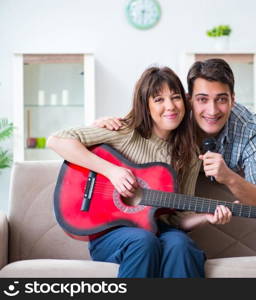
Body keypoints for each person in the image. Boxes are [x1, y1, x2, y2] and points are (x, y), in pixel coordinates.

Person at [47, 66, 233, 278]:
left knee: (181, 244)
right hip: (112, 232)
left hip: (160, 230)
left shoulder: (190, 154)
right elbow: (57, 140)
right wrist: (112, 171)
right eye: (159, 99)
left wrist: (206, 217)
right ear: (146, 106)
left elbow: (178, 219)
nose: (170, 106)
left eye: (175, 97)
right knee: (143, 241)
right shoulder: (124, 131)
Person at [96, 59, 256, 207]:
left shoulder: (252, 129)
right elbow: (137, 131)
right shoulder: (172, 115)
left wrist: (229, 178)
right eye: (202, 99)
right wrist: (100, 128)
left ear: (233, 100)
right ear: (189, 100)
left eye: (221, 99)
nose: (212, 110)